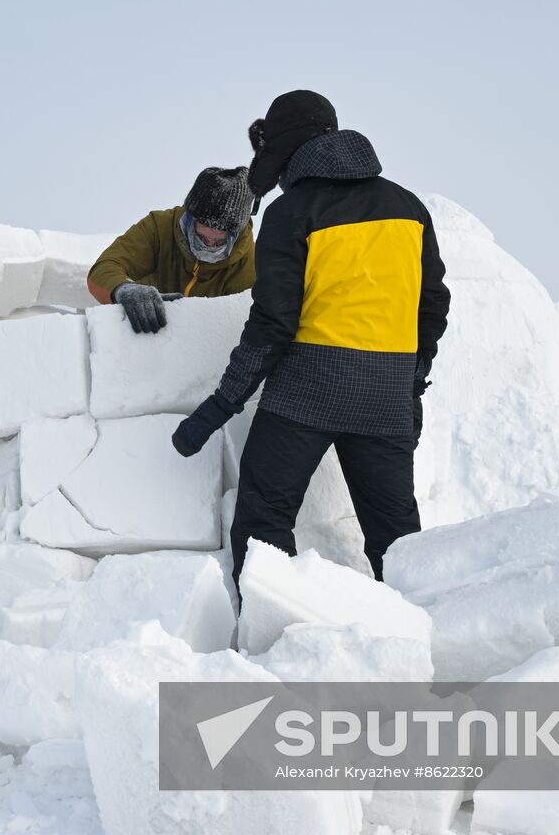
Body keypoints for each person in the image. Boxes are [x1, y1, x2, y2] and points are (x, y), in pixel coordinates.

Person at [172, 90, 450, 584]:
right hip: (384, 396)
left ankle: (274, 635)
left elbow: (272, 324)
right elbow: (432, 307)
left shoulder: (291, 211)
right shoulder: (408, 207)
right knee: (399, 538)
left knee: (264, 522)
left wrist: (219, 406)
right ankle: (424, 635)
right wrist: (410, 382)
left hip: (308, 392)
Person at [87, 166, 256, 334]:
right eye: (202, 238)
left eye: (219, 242)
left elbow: (251, 326)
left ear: (236, 234)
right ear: (189, 219)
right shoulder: (158, 228)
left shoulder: (251, 262)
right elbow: (104, 269)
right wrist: (123, 289)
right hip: (143, 341)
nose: (209, 246)